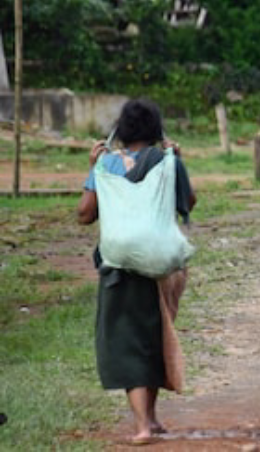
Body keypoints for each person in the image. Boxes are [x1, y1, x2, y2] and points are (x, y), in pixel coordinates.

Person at [75, 99, 197, 445]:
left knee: (127, 343)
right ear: (157, 129)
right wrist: (178, 163)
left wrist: (94, 169)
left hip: (120, 266)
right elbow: (187, 202)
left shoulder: (107, 164)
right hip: (163, 266)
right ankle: (154, 419)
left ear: (122, 130)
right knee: (155, 336)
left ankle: (143, 425)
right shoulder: (166, 161)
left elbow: (84, 214)